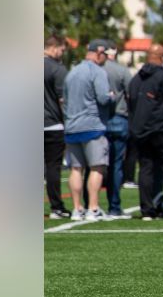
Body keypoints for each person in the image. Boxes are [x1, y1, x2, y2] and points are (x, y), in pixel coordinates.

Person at [126, 43, 163, 220]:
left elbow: (131, 104)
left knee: (146, 169)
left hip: (141, 131)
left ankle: (147, 210)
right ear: (162, 58)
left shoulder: (136, 79)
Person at [63, 39, 116, 221]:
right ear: (99, 53)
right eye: (105, 55)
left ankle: (77, 209)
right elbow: (103, 98)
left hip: (72, 126)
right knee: (97, 167)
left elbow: (65, 100)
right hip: (92, 126)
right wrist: (112, 97)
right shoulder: (98, 72)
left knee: (76, 169)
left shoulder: (72, 72)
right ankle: (93, 208)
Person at [101, 43, 133, 218]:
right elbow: (131, 93)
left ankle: (90, 205)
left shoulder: (93, 71)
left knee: (93, 167)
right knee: (116, 165)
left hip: (99, 121)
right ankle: (114, 206)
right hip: (119, 119)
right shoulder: (121, 71)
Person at [43, 35, 70, 219]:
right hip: (53, 124)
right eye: (61, 50)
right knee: (53, 167)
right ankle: (56, 206)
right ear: (54, 48)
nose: (62, 54)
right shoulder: (57, 69)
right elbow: (63, 100)